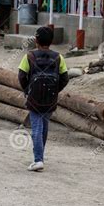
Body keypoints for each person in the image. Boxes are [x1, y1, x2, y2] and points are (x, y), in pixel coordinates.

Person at [18, 27, 69, 172]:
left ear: (36, 41)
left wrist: (27, 90)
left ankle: (38, 160)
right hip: (50, 99)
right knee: (44, 127)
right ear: (51, 41)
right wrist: (55, 90)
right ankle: (40, 156)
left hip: (34, 97)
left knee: (36, 128)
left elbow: (21, 75)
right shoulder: (58, 57)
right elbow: (65, 78)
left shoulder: (29, 57)